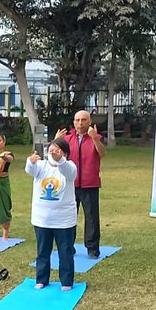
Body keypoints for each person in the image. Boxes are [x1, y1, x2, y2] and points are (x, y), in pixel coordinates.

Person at [26, 138, 78, 290]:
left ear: (65, 153)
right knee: (42, 251)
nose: (53, 153)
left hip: (64, 220)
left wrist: (60, 160)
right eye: (51, 150)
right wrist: (31, 161)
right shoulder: (41, 166)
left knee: (65, 252)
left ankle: (67, 282)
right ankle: (41, 279)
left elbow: (68, 173)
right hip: (42, 219)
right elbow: (30, 170)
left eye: (58, 150)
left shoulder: (70, 166)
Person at [55, 110, 107, 258]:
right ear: (73, 122)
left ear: (89, 122)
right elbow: (55, 156)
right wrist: (55, 141)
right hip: (71, 184)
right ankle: (68, 247)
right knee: (69, 216)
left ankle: (92, 248)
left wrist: (95, 138)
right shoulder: (67, 139)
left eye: (83, 120)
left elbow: (102, 153)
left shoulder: (96, 137)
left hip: (90, 183)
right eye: (77, 120)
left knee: (91, 217)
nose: (80, 123)